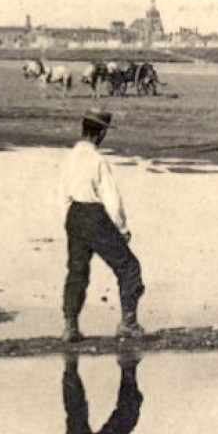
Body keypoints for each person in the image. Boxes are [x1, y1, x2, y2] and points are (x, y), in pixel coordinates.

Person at [58, 111, 144, 341]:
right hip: (95, 215)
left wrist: (71, 219)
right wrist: (122, 229)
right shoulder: (98, 161)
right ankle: (128, 323)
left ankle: (70, 327)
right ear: (101, 133)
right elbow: (111, 199)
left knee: (77, 271)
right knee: (129, 268)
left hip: (74, 214)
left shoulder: (69, 158)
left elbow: (62, 194)